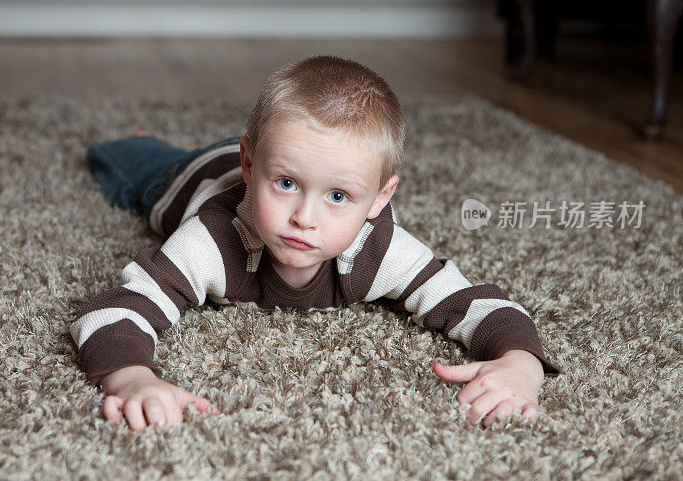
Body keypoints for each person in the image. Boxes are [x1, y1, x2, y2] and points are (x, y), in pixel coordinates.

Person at [71, 55, 560, 432]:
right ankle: (141, 143)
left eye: (339, 196)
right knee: (132, 172)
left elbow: (472, 300)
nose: (304, 218)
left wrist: (521, 362)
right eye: (286, 185)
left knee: (295, 162)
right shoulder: (214, 239)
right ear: (251, 165)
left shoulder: (377, 249)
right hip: (190, 177)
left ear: (379, 198)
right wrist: (133, 378)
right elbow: (111, 312)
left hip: (259, 152)